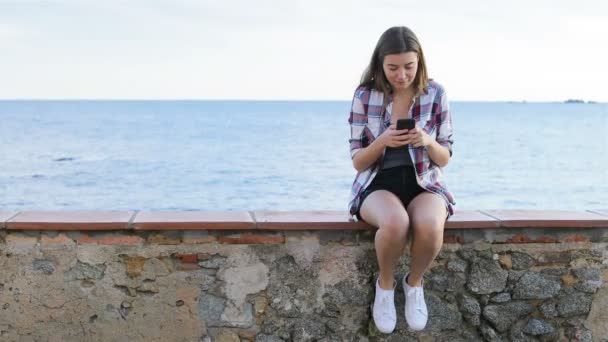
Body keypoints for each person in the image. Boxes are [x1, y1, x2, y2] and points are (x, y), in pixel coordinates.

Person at [347, 26, 455, 333]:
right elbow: (357, 161)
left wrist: (426, 141)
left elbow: (445, 156)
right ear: (380, 63)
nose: (402, 75)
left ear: (419, 62)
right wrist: (383, 141)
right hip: (377, 184)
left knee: (431, 225)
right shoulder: (364, 95)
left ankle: (414, 284)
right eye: (393, 67)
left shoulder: (436, 93)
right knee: (396, 223)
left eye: (409, 66)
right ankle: (385, 286)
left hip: (425, 183)